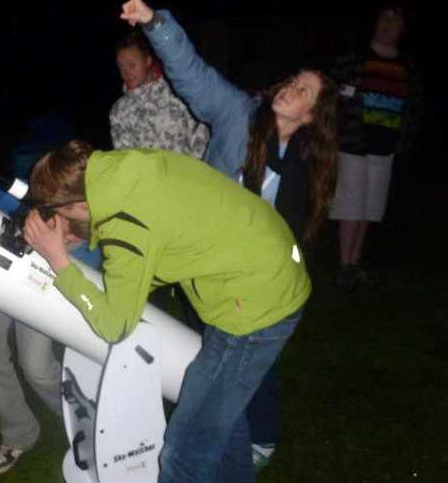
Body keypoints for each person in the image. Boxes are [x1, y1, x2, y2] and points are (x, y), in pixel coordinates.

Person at [118, 0, 339, 472]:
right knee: (218, 365)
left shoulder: (306, 168)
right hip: (206, 272)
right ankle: (236, 441)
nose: (290, 88)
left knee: (245, 364)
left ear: (311, 116)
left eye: (303, 91)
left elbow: (294, 238)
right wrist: (154, 24)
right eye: (293, 80)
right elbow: (193, 75)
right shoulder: (240, 116)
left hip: (256, 288)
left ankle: (260, 435)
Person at [23, 140, 310, 483]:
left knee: (183, 453)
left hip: (255, 303)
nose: (54, 218)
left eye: (55, 211)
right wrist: (77, 234)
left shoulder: (125, 222)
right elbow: (157, 236)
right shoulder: (123, 170)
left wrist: (59, 262)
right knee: (219, 419)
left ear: (80, 204)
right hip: (265, 267)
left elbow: (115, 326)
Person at [0, 178, 99, 475]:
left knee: (37, 368)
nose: (64, 235)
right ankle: (19, 433)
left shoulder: (92, 242)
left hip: (41, 289)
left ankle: (85, 426)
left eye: (72, 236)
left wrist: (61, 252)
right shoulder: (32, 204)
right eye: (61, 224)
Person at [328, 2, 420, 291]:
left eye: (395, 21)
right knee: (351, 207)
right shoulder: (353, 60)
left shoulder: (407, 68)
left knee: (370, 209)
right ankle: (344, 265)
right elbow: (331, 98)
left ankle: (355, 262)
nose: (388, 25)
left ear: (403, 29)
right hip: (353, 145)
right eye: (384, 18)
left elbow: (412, 109)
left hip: (386, 149)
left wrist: (404, 143)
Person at [110, 31, 210, 159]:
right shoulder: (120, 111)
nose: (126, 73)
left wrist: (195, 166)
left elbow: (201, 131)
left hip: (192, 169)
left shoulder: (176, 92)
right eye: (121, 67)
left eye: (131, 65)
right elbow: (125, 157)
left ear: (147, 60)